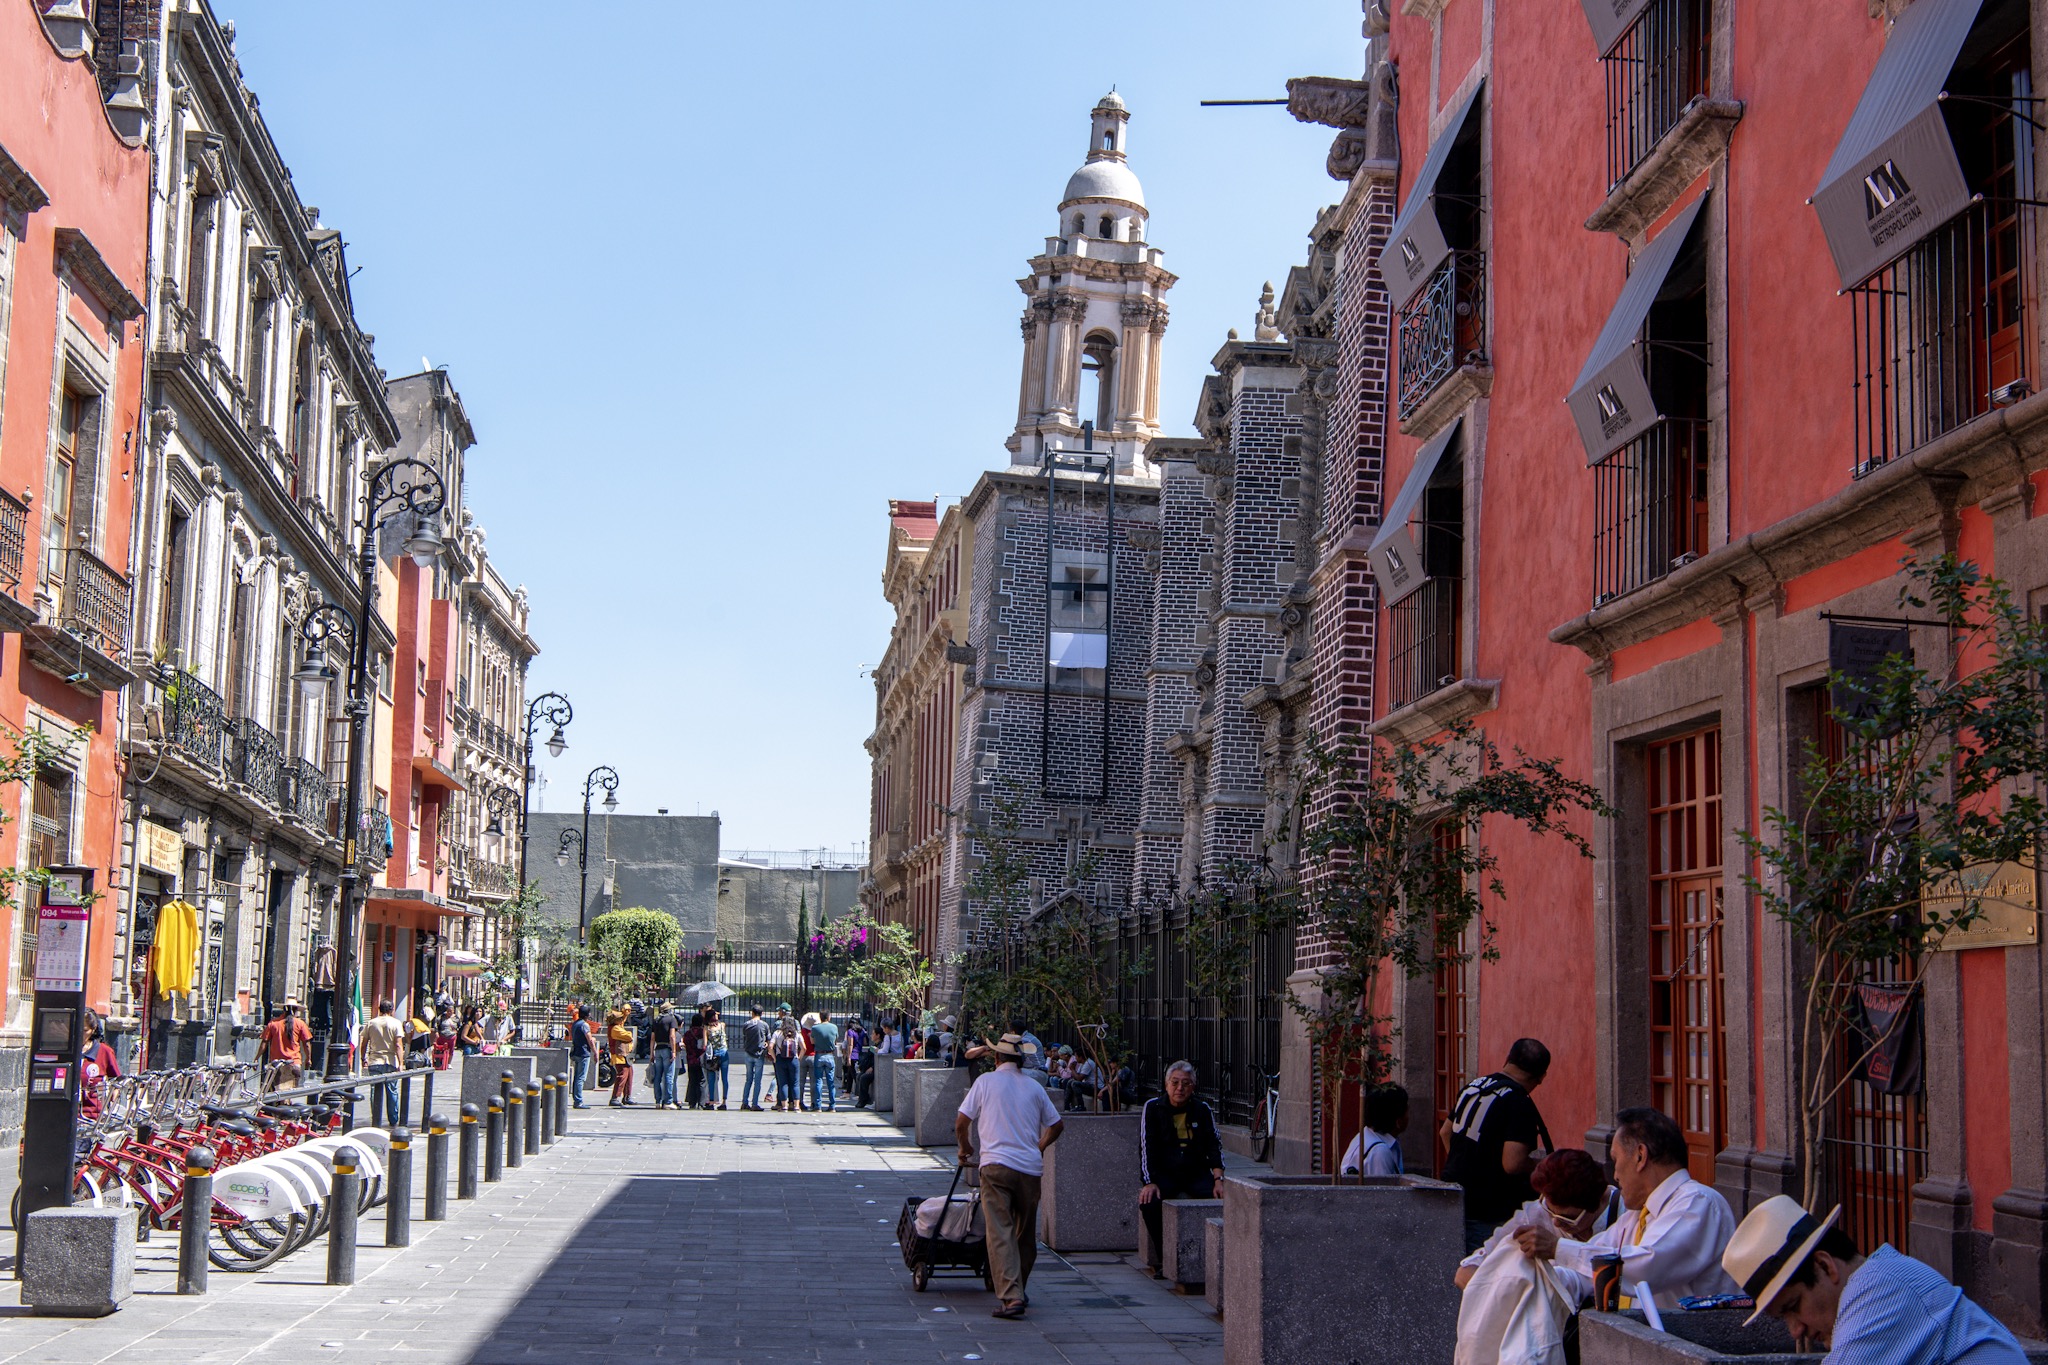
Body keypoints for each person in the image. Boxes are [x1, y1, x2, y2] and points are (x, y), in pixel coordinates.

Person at [1724, 1194, 2028, 1363]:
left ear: (1825, 1266)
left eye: (1793, 1306)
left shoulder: (1877, 1291)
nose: (1796, 1331)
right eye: (1784, 1318)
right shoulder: (1882, 1277)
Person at [1513, 1107, 1738, 1310]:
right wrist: (1530, 1278)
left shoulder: (1698, 1202)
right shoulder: (1634, 1218)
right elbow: (1588, 1271)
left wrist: (1557, 1248)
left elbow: (1646, 1268)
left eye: (1616, 1159)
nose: (1615, 1175)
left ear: (1640, 1156)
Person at [1454, 1148, 1622, 1364]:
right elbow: (1467, 1271)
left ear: (1597, 1203)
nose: (1555, 1222)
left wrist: (1557, 1249)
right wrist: (1514, 1289)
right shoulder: (1536, 1215)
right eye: (1550, 1211)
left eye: (1567, 1218)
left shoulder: (1624, 1216)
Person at [957, 1032, 1064, 1319]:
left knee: (1000, 1232)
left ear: (996, 1057)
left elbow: (962, 1121)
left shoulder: (985, 1082)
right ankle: (1018, 1287)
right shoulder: (1034, 1087)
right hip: (1029, 1169)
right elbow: (1056, 1125)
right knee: (1024, 1234)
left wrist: (965, 1147)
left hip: (995, 1167)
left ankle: (1011, 1295)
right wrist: (1039, 1146)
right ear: (1021, 1060)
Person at [1443, 1038, 1554, 1252]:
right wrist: (1542, 1165)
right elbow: (1513, 1163)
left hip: (1455, 1198)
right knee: (1484, 1267)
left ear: (1507, 1060)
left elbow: (1445, 1132)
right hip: (1489, 1208)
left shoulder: (1474, 1086)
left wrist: (1466, 1162)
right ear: (1541, 1077)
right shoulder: (1518, 1101)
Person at [1137, 1060, 1225, 1279]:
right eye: (1175, 1082)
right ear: (1166, 1084)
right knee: (1150, 1203)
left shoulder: (1202, 1109)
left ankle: (1214, 1259)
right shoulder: (1153, 1108)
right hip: (1165, 1173)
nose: (1180, 1088)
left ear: (1193, 1086)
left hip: (1195, 1172)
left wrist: (1219, 1179)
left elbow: (1214, 1145)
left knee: (1221, 1201)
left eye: (1185, 1083)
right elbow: (1147, 1147)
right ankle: (1164, 1259)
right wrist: (1149, 1181)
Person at [1340, 1083, 1411, 1178]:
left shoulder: (1367, 1136)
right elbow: (1383, 1186)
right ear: (1398, 1122)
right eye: (1407, 1111)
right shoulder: (1379, 1151)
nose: (1409, 1116)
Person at [361, 998, 405, 1121]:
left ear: (379, 1009)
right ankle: (393, 1119)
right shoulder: (396, 1023)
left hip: (374, 1060)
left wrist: (363, 1058)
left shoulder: (371, 1023)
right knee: (392, 1091)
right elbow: (398, 1045)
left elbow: (364, 1043)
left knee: (374, 1090)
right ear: (392, 1010)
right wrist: (401, 1063)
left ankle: (376, 1117)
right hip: (390, 1061)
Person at [78, 1011, 120, 1121]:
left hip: (92, 1116)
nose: (80, 1034)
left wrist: (113, 1095)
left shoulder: (104, 1051)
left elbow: (117, 1080)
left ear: (93, 1029)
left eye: (85, 1031)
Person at [263, 998, 313, 1088]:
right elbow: (306, 1044)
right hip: (294, 1062)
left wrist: (256, 1058)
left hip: (277, 1063)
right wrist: (308, 1059)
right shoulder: (300, 1024)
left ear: (283, 1009)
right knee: (290, 1093)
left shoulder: (274, 1023)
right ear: (296, 1010)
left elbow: (264, 1042)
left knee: (278, 1092)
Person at [648, 1001, 680, 1110]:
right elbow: (672, 1036)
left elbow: (652, 1038)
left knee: (658, 1076)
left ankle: (658, 1100)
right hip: (667, 1048)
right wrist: (674, 1051)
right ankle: (668, 1101)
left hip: (658, 1049)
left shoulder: (656, 1020)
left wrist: (651, 1053)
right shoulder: (671, 1019)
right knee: (668, 1075)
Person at [740, 1005, 770, 1111]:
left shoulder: (746, 1024)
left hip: (748, 1053)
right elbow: (768, 1039)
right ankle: (755, 1103)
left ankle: (744, 1102)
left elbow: (745, 1037)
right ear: (762, 1014)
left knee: (748, 1079)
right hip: (759, 1054)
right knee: (757, 1080)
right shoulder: (764, 1025)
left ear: (752, 1013)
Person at [810, 1011, 840, 1112]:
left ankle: (818, 1106)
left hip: (819, 1054)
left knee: (818, 1081)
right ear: (829, 1017)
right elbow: (835, 1040)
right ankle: (832, 1105)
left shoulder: (815, 1028)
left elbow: (812, 1041)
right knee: (830, 1082)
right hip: (830, 1055)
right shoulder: (834, 1027)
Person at [606, 1009, 637, 1106]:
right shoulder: (615, 1029)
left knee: (629, 1074)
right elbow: (628, 1036)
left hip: (624, 1054)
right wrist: (629, 1034)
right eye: (619, 1019)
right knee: (622, 1075)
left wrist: (625, 1015)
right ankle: (615, 1097)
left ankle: (627, 1096)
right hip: (619, 1055)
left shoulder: (618, 1026)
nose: (621, 1020)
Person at [772, 1014, 801, 1112]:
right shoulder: (796, 1034)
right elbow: (804, 1047)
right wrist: (799, 1058)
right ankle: (796, 1106)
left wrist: (774, 1058)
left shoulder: (777, 1033)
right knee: (795, 1083)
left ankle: (784, 1106)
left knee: (783, 1083)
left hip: (780, 1059)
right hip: (793, 1060)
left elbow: (770, 1046)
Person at [568, 1004, 595, 1108]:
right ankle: (578, 1101)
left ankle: (576, 1099)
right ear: (587, 1015)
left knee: (577, 1077)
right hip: (583, 1053)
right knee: (581, 1078)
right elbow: (590, 1040)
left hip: (576, 1051)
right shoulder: (585, 1025)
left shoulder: (575, 1024)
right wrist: (595, 1052)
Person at [705, 1006, 730, 1110]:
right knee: (724, 1078)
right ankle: (724, 1101)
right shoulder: (722, 1025)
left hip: (713, 1055)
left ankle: (711, 1101)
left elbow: (705, 1044)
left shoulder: (707, 1029)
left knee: (711, 1079)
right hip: (724, 1053)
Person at [682, 1009, 707, 1109]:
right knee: (702, 1081)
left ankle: (692, 1102)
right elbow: (705, 1046)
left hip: (690, 1059)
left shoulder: (688, 1033)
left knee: (692, 1081)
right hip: (701, 1059)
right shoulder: (702, 1032)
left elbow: (685, 1044)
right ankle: (701, 1103)